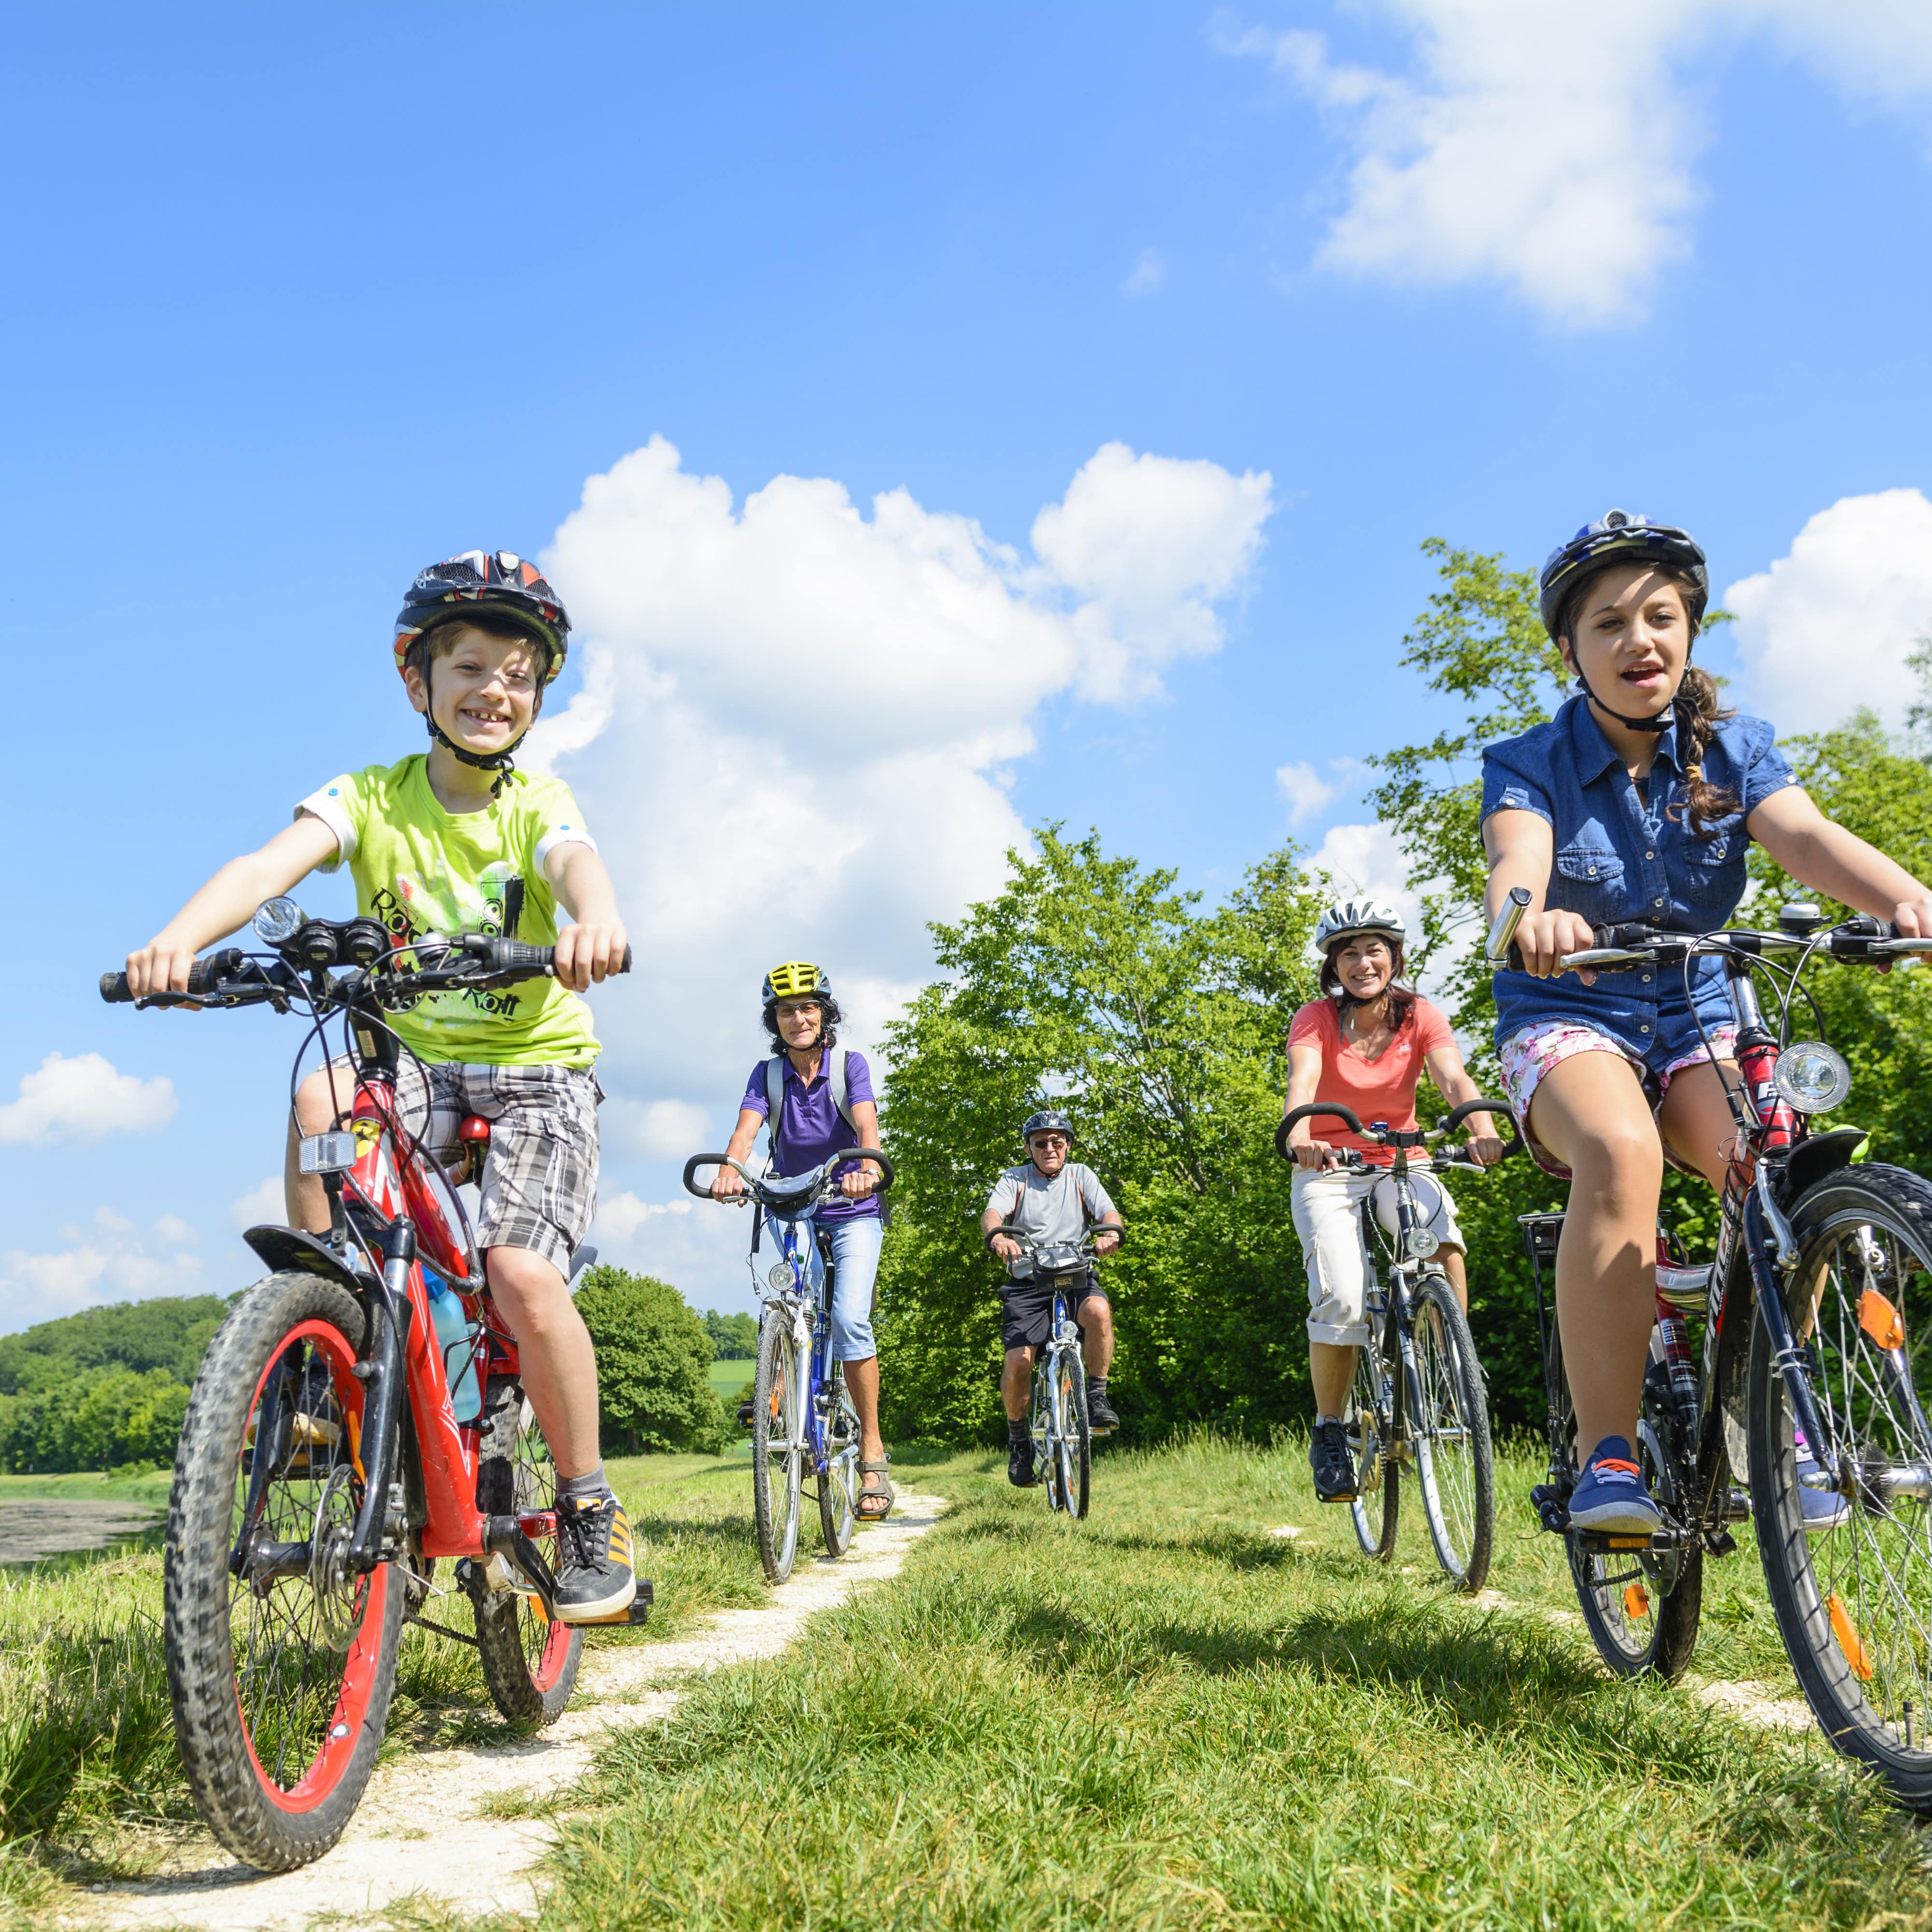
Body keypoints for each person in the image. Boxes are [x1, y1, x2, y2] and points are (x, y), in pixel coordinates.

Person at [124, 550, 638, 1622]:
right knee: (320, 1097)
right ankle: (335, 1345)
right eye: (467, 665)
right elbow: (267, 868)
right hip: (405, 1060)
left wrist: (594, 919)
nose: (493, 688)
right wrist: (176, 944)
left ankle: (589, 1502)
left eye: (517, 672)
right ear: (418, 680)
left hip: (534, 1068)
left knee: (519, 1274)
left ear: (538, 694)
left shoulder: (537, 801)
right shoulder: (366, 797)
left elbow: (572, 866)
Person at [1482, 509, 1932, 1534]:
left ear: (1686, 630)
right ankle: (1608, 1454)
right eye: (1606, 623)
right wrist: (1530, 919)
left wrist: (1908, 903)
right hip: (1568, 1010)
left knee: (1767, 1163)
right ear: (1569, 650)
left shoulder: (1731, 749)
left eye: (1657, 615)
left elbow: (1806, 839)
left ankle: (1766, 1408)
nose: (1635, 638)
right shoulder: (1526, 760)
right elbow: (1512, 868)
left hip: (1690, 1009)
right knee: (1617, 1144)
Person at [1283, 899, 1504, 1503]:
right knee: (1344, 1297)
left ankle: (1453, 1359)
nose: (1362, 962)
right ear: (1334, 964)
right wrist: (1300, 1134)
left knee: (1441, 1240)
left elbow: (1454, 1079)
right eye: (1348, 952)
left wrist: (1479, 1127)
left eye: (1374, 948)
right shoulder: (1315, 1018)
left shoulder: (1420, 1015)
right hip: (1328, 1167)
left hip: (1401, 1156)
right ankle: (1331, 1430)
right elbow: (1302, 1083)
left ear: (1393, 956)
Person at [711, 962, 895, 1520]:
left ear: (825, 1013)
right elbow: (745, 1133)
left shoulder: (848, 1066)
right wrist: (729, 1170)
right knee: (793, 1302)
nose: (798, 1018)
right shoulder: (766, 1075)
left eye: (808, 1007)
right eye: (787, 1010)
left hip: (853, 1205)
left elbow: (867, 1128)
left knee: (849, 1319)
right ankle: (784, 1380)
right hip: (793, 1202)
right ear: (775, 1020)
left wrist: (866, 1164)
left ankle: (871, 1452)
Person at [980, 1111, 1124, 1487]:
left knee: (1099, 1310)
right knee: (1019, 1362)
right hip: (1028, 1281)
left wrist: (1110, 1234)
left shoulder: (1082, 1176)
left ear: (1068, 1146)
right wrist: (998, 1236)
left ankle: (1095, 1397)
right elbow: (993, 1213)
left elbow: (1109, 1212)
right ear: (1028, 1147)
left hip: (1075, 1275)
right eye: (1041, 1142)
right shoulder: (1016, 1179)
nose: (1049, 1148)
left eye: (1057, 1142)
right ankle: (1018, 1440)